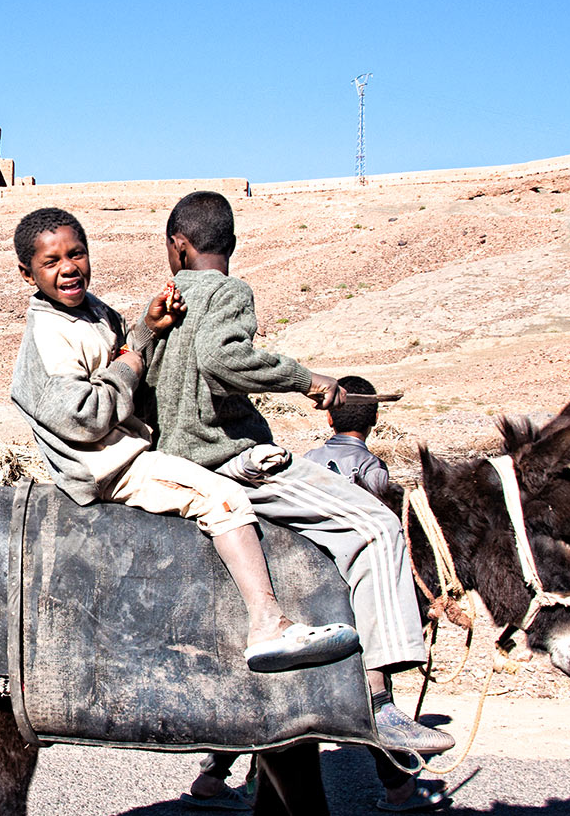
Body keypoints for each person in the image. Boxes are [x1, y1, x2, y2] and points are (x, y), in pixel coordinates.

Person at [144, 191, 454, 773]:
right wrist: (307, 380)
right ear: (227, 246)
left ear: (176, 247)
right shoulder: (229, 291)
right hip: (230, 459)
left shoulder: (165, 305)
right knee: (376, 526)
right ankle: (380, 704)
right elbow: (221, 358)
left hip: (175, 465)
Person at [8, 207, 356, 665]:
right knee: (222, 498)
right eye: (51, 262)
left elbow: (123, 349)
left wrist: (147, 330)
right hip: (108, 465)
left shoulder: (95, 312)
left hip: (130, 447)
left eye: (77, 254)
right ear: (26, 273)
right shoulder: (47, 334)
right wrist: (135, 357)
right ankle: (267, 625)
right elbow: (86, 417)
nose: (68, 268)